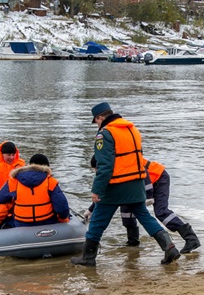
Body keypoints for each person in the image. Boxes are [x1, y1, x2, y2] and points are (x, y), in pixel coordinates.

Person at [70, 102, 180, 267]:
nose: (97, 125)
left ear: (100, 117)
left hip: (116, 185)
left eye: (96, 121)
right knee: (145, 216)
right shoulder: (131, 129)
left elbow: (105, 166)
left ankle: (88, 257)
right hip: (136, 183)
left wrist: (97, 190)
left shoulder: (105, 134)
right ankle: (169, 247)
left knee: (98, 220)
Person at [0, 153, 70, 229]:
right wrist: (63, 221)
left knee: (7, 208)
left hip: (21, 224)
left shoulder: (14, 181)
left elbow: (2, 202)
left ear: (29, 165)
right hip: (47, 222)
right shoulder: (51, 181)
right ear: (47, 168)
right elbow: (62, 207)